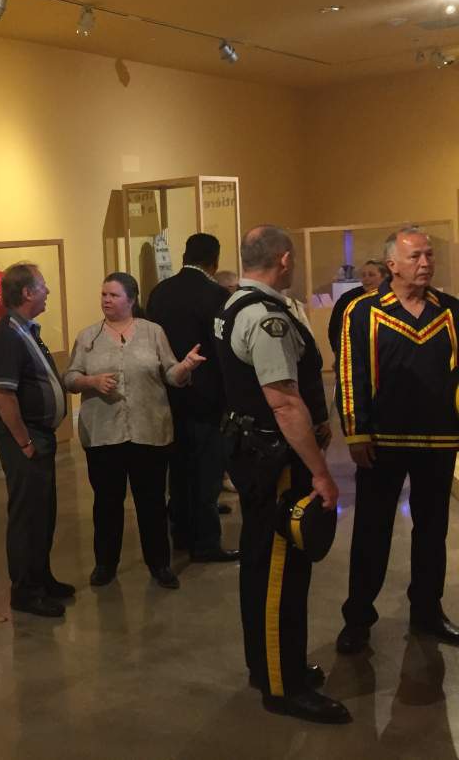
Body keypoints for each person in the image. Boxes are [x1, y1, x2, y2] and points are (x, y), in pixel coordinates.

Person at [214, 224, 349, 724]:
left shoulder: (233, 306)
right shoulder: (264, 318)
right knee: (280, 573)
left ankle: (269, 664)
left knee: (261, 566)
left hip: (254, 455)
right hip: (275, 464)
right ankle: (281, 685)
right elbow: (285, 403)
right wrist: (321, 472)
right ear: (286, 261)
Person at [335, 227, 459, 653]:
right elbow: (351, 374)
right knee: (372, 530)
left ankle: (427, 610)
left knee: (432, 530)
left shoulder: (451, 312)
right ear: (392, 264)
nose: (425, 263)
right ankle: (358, 617)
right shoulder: (363, 310)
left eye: (429, 255)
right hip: (382, 440)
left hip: (440, 440)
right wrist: (355, 430)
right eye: (415, 257)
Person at [63, 273, 204, 590]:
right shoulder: (88, 337)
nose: (106, 300)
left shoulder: (153, 333)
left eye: (113, 295)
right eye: (103, 295)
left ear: (131, 299)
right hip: (104, 434)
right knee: (107, 503)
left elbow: (170, 373)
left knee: (152, 502)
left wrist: (185, 367)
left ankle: (160, 564)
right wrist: (91, 382)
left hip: (149, 430)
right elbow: (70, 377)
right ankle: (105, 564)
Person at [146, 233, 239, 562]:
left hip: (169, 394)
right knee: (207, 472)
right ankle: (206, 542)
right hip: (206, 397)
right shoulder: (215, 295)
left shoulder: (160, 293)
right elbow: (225, 350)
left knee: (180, 469)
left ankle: (180, 532)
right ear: (214, 261)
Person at [0, 262, 73, 617]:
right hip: (25, 438)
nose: (48, 291)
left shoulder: (26, 330)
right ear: (26, 293)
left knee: (44, 513)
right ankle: (25, 591)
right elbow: (5, 397)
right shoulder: (8, 335)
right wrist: (24, 442)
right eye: (42, 286)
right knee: (27, 516)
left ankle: (42, 577)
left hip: (39, 436)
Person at [326, 258, 389, 360]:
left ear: (384, 277)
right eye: (363, 275)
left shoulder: (393, 298)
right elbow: (335, 328)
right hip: (355, 357)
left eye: (371, 275)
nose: (366, 279)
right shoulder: (348, 298)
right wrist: (338, 355)